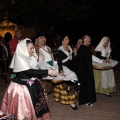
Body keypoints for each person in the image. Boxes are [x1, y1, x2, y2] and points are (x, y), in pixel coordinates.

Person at [0, 38, 58, 120]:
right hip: (23, 88)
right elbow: (29, 72)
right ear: (24, 49)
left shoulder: (31, 57)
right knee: (25, 109)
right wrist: (47, 72)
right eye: (30, 48)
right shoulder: (20, 58)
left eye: (33, 48)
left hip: (33, 84)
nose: (32, 50)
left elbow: (35, 70)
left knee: (38, 104)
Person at [53, 34, 78, 110]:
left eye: (68, 39)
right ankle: (71, 102)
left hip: (71, 68)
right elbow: (59, 62)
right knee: (68, 85)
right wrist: (61, 70)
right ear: (62, 41)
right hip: (64, 68)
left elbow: (72, 59)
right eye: (66, 39)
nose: (68, 40)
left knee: (73, 83)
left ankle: (73, 98)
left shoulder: (70, 48)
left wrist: (75, 53)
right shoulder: (60, 50)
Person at [74, 35, 96, 106]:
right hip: (85, 72)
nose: (90, 43)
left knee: (85, 86)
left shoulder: (83, 49)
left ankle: (86, 100)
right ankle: (87, 100)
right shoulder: (83, 50)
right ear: (85, 41)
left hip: (85, 71)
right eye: (89, 41)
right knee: (85, 86)